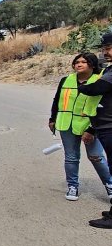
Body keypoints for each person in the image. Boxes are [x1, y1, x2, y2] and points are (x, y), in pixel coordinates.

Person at [48, 52, 112, 201]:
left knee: (96, 157)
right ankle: (73, 186)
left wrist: (91, 130)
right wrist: (53, 118)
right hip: (66, 123)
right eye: (77, 62)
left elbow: (101, 107)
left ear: (92, 64)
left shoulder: (100, 82)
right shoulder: (66, 80)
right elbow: (57, 100)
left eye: (84, 62)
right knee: (71, 157)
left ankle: (109, 184)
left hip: (89, 125)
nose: (79, 64)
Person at [78, 32, 112, 229]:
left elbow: (96, 89)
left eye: (108, 48)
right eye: (104, 49)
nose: (105, 52)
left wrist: (83, 85)